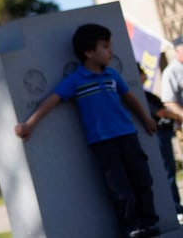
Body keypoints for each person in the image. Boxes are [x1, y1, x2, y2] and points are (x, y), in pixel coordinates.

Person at [15, 23, 159, 238]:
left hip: (128, 136)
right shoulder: (75, 80)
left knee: (142, 179)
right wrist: (29, 124)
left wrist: (146, 119)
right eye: (105, 46)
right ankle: (132, 227)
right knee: (119, 188)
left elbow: (130, 98)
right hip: (103, 143)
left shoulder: (112, 76)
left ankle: (150, 222)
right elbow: (52, 101)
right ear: (89, 52)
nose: (111, 51)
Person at [139, 63, 183, 220]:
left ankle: (177, 205)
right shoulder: (142, 95)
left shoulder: (147, 94)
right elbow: (161, 111)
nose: (145, 75)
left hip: (164, 134)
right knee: (167, 171)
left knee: (170, 170)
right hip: (159, 136)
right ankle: (174, 206)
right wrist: (177, 116)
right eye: (142, 72)